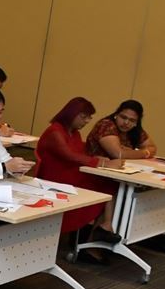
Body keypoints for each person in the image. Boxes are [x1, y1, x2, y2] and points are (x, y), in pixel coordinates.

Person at [37, 97, 122, 244]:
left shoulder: (74, 132)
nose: (87, 121)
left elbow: (79, 154)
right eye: (83, 117)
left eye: (89, 117)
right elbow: (69, 155)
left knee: (109, 184)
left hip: (70, 172)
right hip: (56, 177)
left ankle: (104, 226)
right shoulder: (55, 131)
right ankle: (98, 230)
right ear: (71, 114)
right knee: (105, 185)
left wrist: (96, 158)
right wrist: (103, 163)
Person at [86, 99, 157, 160]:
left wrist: (131, 152)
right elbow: (118, 154)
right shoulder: (106, 125)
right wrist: (144, 153)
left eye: (132, 120)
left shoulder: (135, 129)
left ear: (136, 122)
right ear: (116, 115)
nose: (126, 123)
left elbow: (152, 148)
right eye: (123, 117)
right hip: (96, 169)